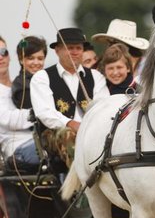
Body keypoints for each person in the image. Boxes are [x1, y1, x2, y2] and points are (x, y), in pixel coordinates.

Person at [30, 27, 110, 167]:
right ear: (58, 50)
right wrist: (71, 124)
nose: (75, 52)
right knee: (70, 136)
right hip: (55, 133)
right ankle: (79, 181)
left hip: (91, 130)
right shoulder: (42, 78)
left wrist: (88, 127)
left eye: (78, 48)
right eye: (70, 48)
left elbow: (103, 108)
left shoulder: (96, 77)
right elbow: (45, 113)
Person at [0, 36, 39, 171]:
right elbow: (8, 119)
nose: (0, 57)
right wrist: (40, 112)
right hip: (18, 149)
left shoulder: (22, 85)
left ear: (9, 56)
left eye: (3, 52)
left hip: (40, 140)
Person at [12, 35, 47, 109]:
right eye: (31, 58)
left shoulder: (48, 79)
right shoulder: (21, 85)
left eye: (40, 59)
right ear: (21, 59)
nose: (36, 62)